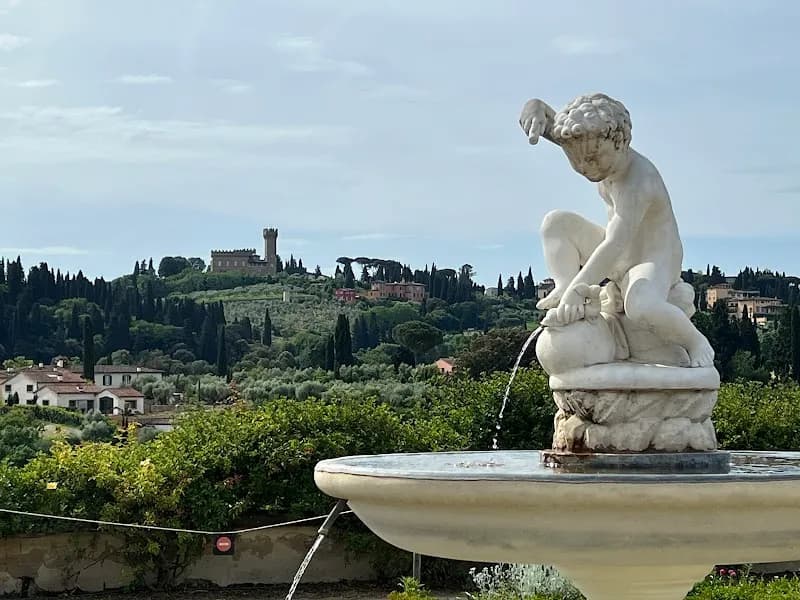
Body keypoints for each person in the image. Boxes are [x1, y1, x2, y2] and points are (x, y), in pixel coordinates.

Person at [519, 93, 713, 367]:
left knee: (642, 305)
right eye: (578, 162)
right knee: (555, 222)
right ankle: (562, 284)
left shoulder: (639, 179)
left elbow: (615, 242)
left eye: (594, 159)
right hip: (619, 255)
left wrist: (580, 289)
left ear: (619, 142)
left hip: (653, 259)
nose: (587, 168)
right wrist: (536, 107)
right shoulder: (593, 148)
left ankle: (695, 342)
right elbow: (562, 132)